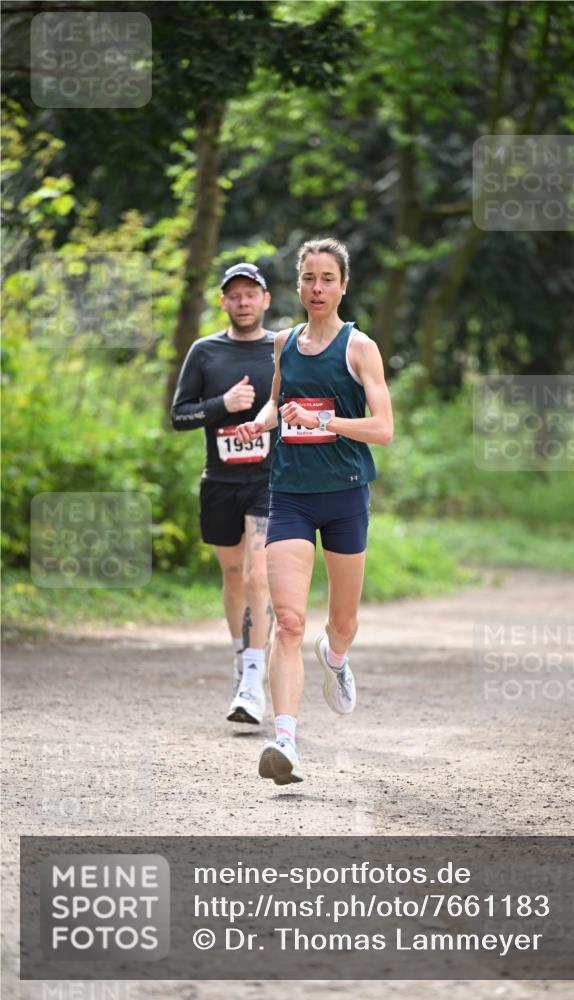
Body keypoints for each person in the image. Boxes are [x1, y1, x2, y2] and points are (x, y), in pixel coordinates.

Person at [236, 237, 393, 784]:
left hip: (346, 495)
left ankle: (337, 658)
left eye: (327, 278)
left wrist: (323, 423)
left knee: (342, 622)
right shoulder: (282, 342)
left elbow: (384, 430)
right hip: (292, 496)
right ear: (297, 284)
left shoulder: (360, 348)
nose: (317, 288)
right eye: (308, 278)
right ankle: (285, 742)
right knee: (288, 623)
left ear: (343, 286)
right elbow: (280, 400)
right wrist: (265, 419)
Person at [171, 262, 276, 723]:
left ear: (265, 300)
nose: (243, 302)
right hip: (219, 482)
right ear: (224, 302)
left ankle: (254, 683)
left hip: (269, 480)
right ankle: (243, 661)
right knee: (234, 576)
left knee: (259, 575)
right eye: (234, 295)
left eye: (251, 294)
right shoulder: (205, 352)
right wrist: (223, 406)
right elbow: (180, 416)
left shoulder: (281, 348)